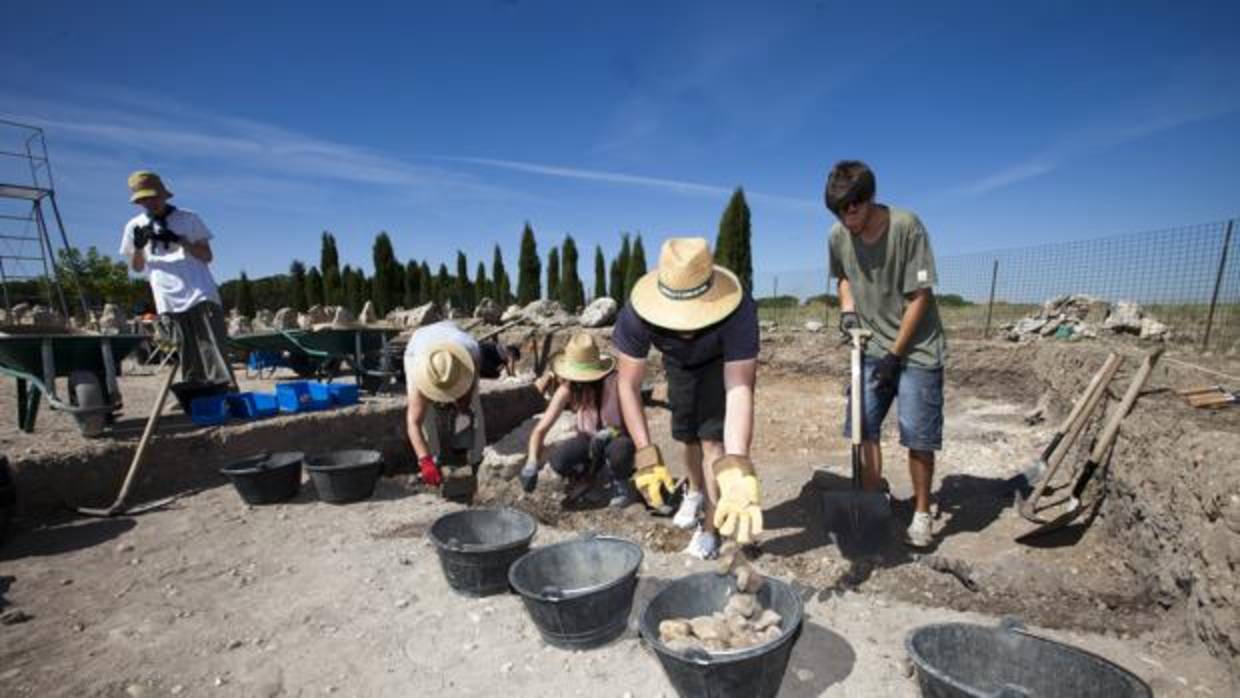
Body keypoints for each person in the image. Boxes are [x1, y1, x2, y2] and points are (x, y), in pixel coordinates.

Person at [612, 237, 762, 560]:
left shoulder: (739, 311)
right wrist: (645, 454)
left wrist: (736, 463)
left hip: (718, 362)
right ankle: (693, 492)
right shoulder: (635, 315)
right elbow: (627, 385)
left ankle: (709, 528)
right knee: (687, 436)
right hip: (677, 363)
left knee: (713, 444)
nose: (687, 328)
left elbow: (739, 388)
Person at [825, 160, 948, 548]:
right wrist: (848, 311)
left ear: (870, 198)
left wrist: (895, 355)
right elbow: (844, 276)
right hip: (869, 345)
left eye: (853, 209)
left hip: (917, 350)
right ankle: (875, 497)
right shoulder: (838, 235)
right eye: (839, 212)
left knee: (918, 434)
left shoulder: (907, 227)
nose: (848, 220)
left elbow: (920, 297)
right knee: (862, 428)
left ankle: (922, 513)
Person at [119, 171, 234, 387]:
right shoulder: (134, 226)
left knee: (212, 346)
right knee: (184, 349)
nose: (149, 202)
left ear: (163, 195)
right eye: (143, 199)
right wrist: (138, 247)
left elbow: (207, 256)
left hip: (199, 291)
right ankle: (194, 391)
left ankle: (226, 391)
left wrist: (180, 241)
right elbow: (137, 268)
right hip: (167, 296)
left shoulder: (188, 218)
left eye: (152, 197)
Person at [519, 333, 638, 508]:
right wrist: (531, 463)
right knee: (560, 459)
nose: (582, 384)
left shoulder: (616, 383)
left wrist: (611, 432)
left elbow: (633, 424)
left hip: (616, 438)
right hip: (588, 441)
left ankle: (622, 486)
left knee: (621, 450)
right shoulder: (569, 388)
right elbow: (540, 430)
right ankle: (587, 476)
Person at [404, 320, 486, 497]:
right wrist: (424, 461)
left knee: (468, 407)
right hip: (419, 347)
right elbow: (413, 422)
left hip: (457, 346)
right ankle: (434, 457)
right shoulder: (415, 365)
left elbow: (468, 398)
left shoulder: (471, 352)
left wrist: (461, 403)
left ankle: (467, 455)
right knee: (423, 416)